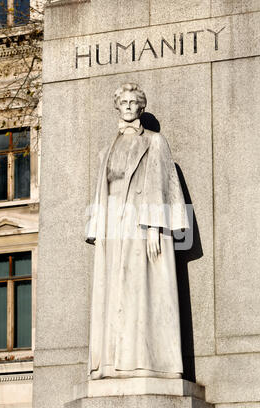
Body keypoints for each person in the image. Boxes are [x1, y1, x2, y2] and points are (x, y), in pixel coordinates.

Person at [86, 83, 189, 380]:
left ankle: (145, 360)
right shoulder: (106, 150)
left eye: (134, 102)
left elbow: (163, 184)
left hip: (141, 220)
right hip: (113, 223)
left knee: (141, 289)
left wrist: (155, 227)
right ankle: (110, 362)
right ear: (117, 107)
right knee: (114, 291)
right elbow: (100, 192)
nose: (129, 106)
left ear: (141, 108)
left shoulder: (156, 142)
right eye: (124, 102)